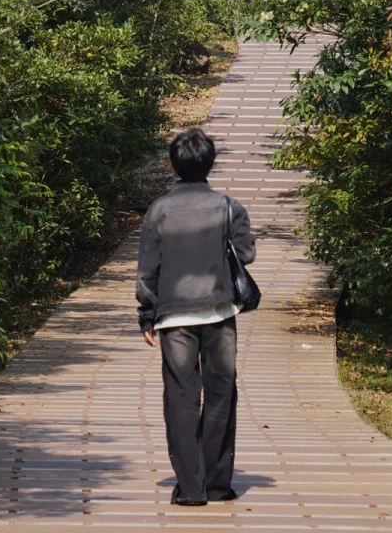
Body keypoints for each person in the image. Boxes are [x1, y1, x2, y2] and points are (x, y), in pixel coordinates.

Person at [136, 128, 255, 507]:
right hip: (220, 312)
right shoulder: (228, 207)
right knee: (221, 394)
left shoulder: (159, 210)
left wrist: (147, 315)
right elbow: (246, 254)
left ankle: (190, 489)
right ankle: (218, 484)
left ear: (173, 164)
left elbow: (147, 269)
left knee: (181, 399)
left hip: (173, 318)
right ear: (210, 162)